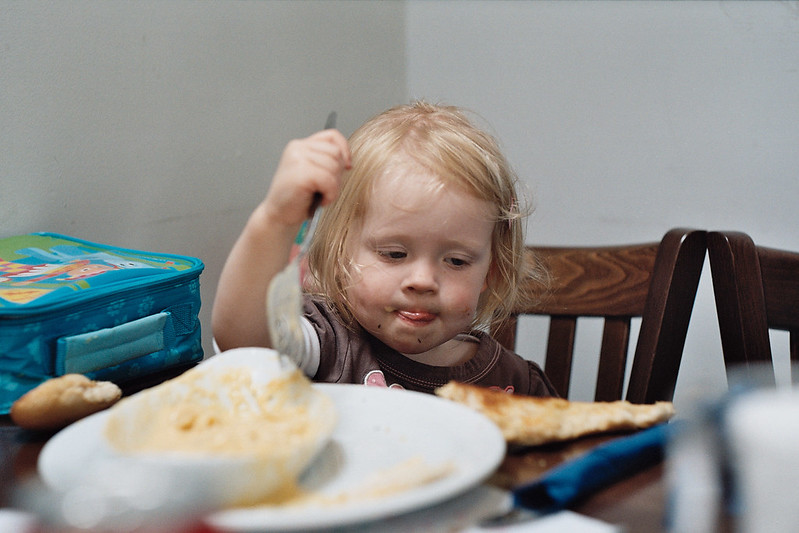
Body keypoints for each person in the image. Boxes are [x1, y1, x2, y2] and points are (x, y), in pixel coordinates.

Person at [212, 101, 556, 397]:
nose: (422, 281)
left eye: (456, 260)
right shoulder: (326, 342)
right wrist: (273, 221)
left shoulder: (516, 384)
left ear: (489, 273)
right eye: (394, 254)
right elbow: (244, 344)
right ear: (339, 255)